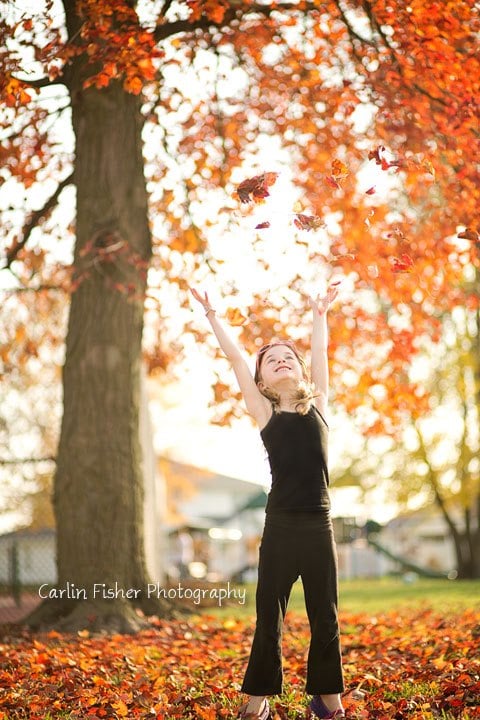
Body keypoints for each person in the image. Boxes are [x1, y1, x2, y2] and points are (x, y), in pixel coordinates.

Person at [191, 286, 345, 720]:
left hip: (319, 528)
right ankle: (257, 700)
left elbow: (321, 353)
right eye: (270, 359)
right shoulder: (264, 411)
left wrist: (319, 314)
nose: (280, 359)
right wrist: (213, 315)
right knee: (269, 619)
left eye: (287, 356)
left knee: (326, 619)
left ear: (301, 372)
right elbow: (237, 360)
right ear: (262, 381)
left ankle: (328, 700)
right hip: (280, 529)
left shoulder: (320, 406)